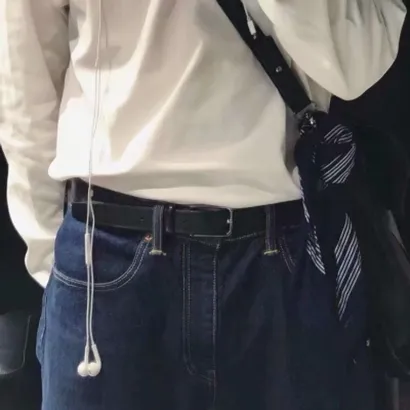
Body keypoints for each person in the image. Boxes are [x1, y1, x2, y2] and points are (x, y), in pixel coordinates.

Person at [0, 0, 407, 409]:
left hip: (284, 257)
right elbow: (26, 80)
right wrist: (52, 256)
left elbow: (357, 65)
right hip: (105, 260)